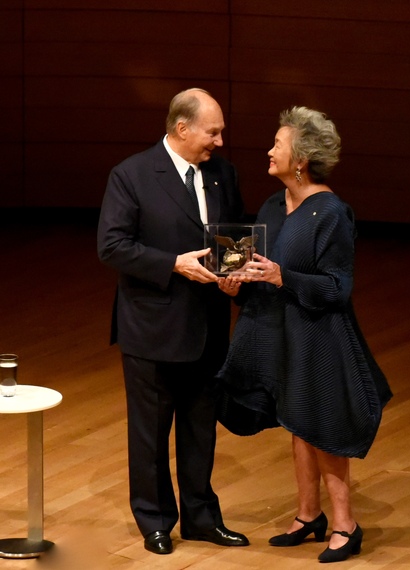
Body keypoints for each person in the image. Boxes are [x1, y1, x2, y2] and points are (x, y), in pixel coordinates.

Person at [216, 106, 393, 563]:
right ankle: (308, 514)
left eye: (278, 143)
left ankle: (345, 524)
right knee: (296, 420)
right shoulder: (273, 206)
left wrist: (282, 278)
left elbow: (337, 287)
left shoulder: (331, 212)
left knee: (322, 426)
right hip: (280, 332)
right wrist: (237, 283)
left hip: (319, 334)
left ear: (301, 158)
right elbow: (259, 267)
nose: (269, 150)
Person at [97, 88, 249, 555]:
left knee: (200, 428)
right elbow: (113, 245)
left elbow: (233, 237)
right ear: (182, 129)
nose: (220, 141)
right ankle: (156, 520)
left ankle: (202, 518)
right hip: (153, 329)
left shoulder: (223, 174)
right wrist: (173, 263)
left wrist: (235, 274)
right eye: (213, 131)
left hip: (207, 325)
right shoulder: (133, 175)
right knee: (150, 433)